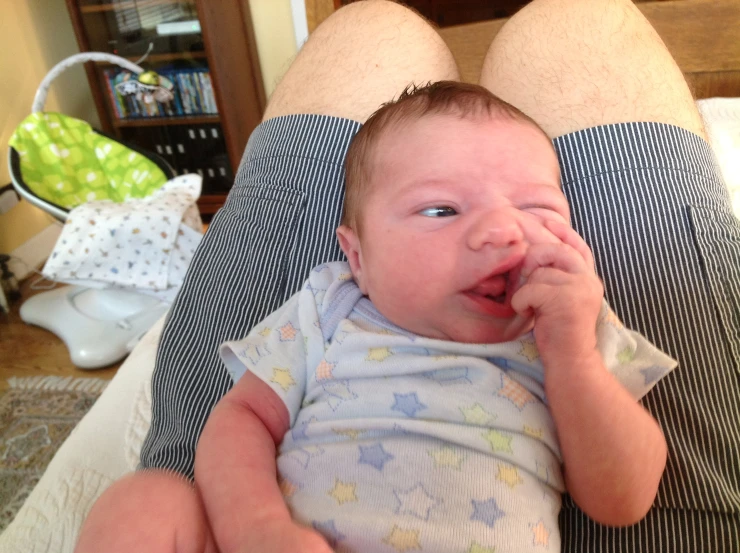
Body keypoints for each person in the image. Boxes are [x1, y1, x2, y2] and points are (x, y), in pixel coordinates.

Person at [79, 1, 740, 552]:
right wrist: (258, 526)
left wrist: (573, 359)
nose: (504, 231)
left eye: (538, 208)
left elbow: (624, 500)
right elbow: (238, 420)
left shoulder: (570, 326)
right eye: (441, 209)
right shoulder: (330, 304)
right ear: (357, 256)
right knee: (147, 501)